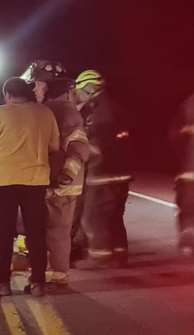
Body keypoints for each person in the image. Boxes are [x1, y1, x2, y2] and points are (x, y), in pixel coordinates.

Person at [0, 77, 60, 297]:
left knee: (4, 233)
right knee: (36, 233)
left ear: (7, 95)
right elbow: (54, 146)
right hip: (36, 180)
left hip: (5, 180)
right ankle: (38, 283)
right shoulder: (45, 113)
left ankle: (3, 283)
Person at [24, 61, 90, 285]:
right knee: (44, 230)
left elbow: (79, 145)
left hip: (61, 185)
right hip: (49, 181)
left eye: (39, 85)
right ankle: (45, 273)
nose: (35, 89)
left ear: (50, 86)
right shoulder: (52, 109)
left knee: (58, 232)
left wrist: (66, 175)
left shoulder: (63, 110)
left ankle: (58, 276)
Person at [73, 70, 132, 266]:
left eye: (80, 90)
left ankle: (102, 257)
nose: (78, 94)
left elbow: (98, 148)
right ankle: (120, 255)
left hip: (104, 175)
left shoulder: (100, 112)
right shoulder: (114, 107)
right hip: (122, 174)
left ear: (89, 89)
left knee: (92, 217)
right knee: (114, 217)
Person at [169, 93, 194, 252]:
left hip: (190, 170)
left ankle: (189, 234)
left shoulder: (189, 103)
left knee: (188, 208)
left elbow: (174, 136)